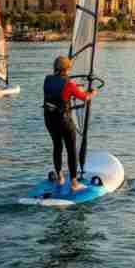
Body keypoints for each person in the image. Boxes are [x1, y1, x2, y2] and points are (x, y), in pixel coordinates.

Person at [42, 56, 97, 192]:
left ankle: (60, 177)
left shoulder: (47, 80)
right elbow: (84, 97)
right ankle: (74, 183)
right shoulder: (69, 84)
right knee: (71, 150)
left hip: (49, 119)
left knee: (57, 146)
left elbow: (59, 91)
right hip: (63, 121)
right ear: (67, 68)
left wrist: (74, 88)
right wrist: (93, 92)